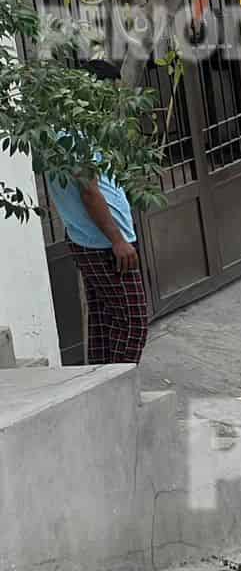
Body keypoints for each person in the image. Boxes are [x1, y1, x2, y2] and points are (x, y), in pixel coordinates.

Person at [44, 60, 148, 365]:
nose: (112, 100)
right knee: (133, 322)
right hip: (104, 243)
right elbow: (89, 193)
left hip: (92, 239)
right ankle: (118, 393)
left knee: (105, 322)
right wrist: (117, 240)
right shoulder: (72, 132)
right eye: (108, 92)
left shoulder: (72, 127)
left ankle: (103, 390)